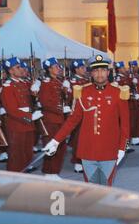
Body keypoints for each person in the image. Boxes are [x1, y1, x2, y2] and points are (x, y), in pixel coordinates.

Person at [43, 55, 130, 186]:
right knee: (91, 189)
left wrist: (122, 148)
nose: (99, 74)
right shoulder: (83, 92)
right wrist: (55, 141)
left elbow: (125, 124)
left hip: (110, 150)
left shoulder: (118, 92)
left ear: (108, 72)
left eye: (102, 70)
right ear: (91, 73)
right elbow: (73, 120)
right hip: (88, 150)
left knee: (105, 188)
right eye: (96, 70)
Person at [1, 57, 44, 172]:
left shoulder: (24, 84)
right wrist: (30, 116)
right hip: (17, 125)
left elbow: (31, 102)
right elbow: (11, 110)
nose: (21, 69)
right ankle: (14, 178)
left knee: (27, 153)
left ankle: (24, 177)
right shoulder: (8, 87)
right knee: (16, 155)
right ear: (10, 71)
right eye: (18, 67)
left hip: (28, 124)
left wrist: (35, 94)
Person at [37, 57, 72, 180]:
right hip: (50, 120)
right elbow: (46, 103)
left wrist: (67, 91)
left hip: (60, 119)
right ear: (49, 69)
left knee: (61, 147)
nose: (59, 68)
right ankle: (49, 172)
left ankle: (55, 171)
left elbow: (64, 99)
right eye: (56, 67)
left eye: (58, 66)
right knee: (51, 146)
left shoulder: (58, 82)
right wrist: (61, 110)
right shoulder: (46, 83)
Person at [69, 59, 90, 173]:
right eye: (82, 68)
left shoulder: (86, 80)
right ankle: (77, 162)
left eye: (84, 67)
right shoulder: (73, 81)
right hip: (78, 112)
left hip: (88, 111)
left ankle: (85, 160)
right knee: (78, 138)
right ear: (76, 69)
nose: (84, 69)